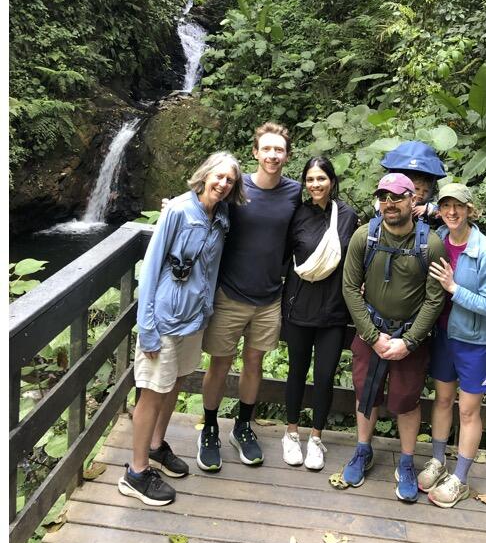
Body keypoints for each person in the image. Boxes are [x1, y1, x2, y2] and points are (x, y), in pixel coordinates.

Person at [118, 152, 246, 506]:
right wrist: (146, 327)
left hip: (194, 318)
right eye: (218, 176)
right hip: (164, 318)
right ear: (204, 175)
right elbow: (151, 267)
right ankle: (136, 473)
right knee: (152, 391)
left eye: (230, 180)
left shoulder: (221, 216)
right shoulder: (177, 210)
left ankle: (156, 447)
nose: (223, 184)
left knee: (175, 382)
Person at [196, 122, 302, 472]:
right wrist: (173, 207)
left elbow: (319, 219)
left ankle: (243, 426)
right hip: (230, 293)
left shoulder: (294, 192)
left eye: (279, 150)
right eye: (266, 149)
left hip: (269, 297)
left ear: (287, 155)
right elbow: (203, 202)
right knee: (220, 363)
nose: (273, 155)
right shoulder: (236, 188)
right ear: (255, 152)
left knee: (254, 363)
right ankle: (209, 427)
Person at [341, 173, 446, 502]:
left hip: (409, 336)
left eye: (398, 197)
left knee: (406, 401)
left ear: (413, 200)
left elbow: (434, 299)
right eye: (384, 196)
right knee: (365, 393)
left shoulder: (430, 244)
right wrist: (372, 336)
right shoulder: (364, 237)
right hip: (370, 332)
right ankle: (362, 450)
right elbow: (350, 288)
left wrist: (410, 342)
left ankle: (406, 461)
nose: (390, 203)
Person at [417, 183, 486, 508]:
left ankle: (461, 479)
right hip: (443, 336)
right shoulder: (437, 239)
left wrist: (454, 288)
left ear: (470, 209)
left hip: (475, 342)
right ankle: (438, 461)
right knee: (442, 400)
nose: (452, 212)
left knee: (468, 411)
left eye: (458, 206)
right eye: (446, 206)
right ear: (439, 209)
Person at [280, 156, 358, 470]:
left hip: (334, 311)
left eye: (321, 179)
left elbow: (357, 259)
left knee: (324, 376)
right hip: (299, 306)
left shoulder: (347, 216)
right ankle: (291, 433)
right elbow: (281, 255)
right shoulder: (296, 214)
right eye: (310, 179)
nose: (315, 185)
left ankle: (315, 437)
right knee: (297, 371)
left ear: (332, 181)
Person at [380, 140, 446, 223]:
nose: (421, 193)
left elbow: (443, 209)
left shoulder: (430, 203)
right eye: (417, 189)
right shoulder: (388, 200)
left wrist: (429, 209)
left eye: (426, 191)